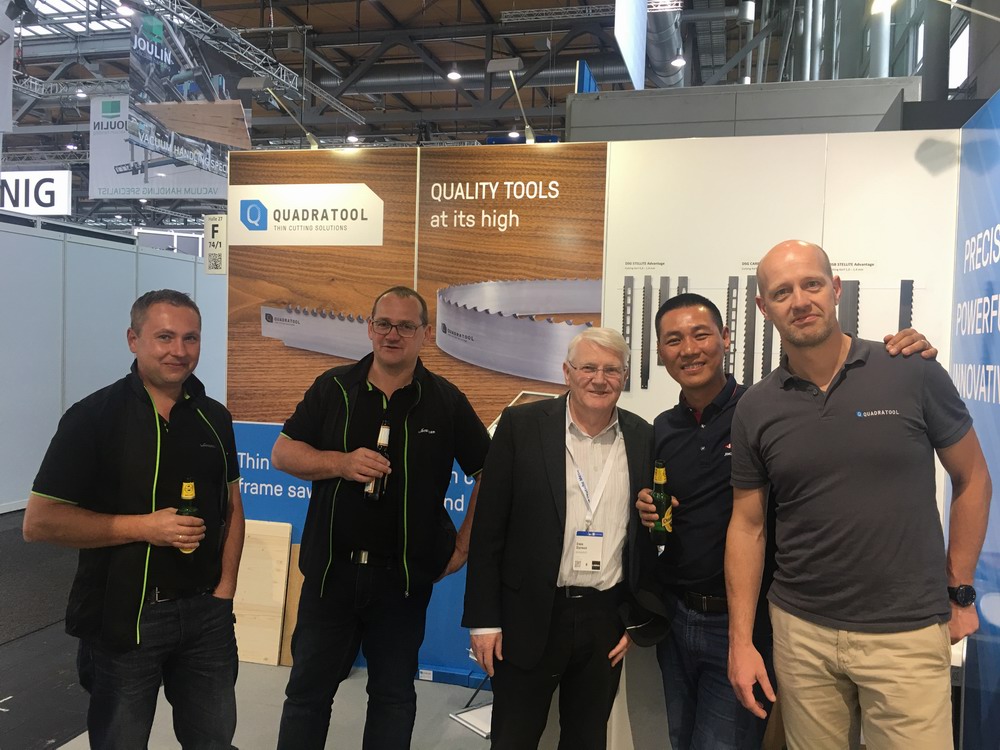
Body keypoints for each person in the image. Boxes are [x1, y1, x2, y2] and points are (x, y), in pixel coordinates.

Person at [635, 292, 937, 750]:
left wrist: (904, 354)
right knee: (680, 738)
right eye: (673, 340)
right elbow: (667, 507)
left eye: (700, 334)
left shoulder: (764, 408)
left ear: (726, 338)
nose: (689, 349)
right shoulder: (662, 428)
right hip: (677, 617)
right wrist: (648, 505)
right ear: (659, 351)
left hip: (746, 620)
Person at [726, 240, 992, 750]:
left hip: (906, 632)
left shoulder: (910, 369)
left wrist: (960, 591)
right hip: (801, 633)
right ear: (763, 307)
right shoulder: (757, 407)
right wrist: (741, 641)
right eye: (781, 292)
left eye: (811, 284)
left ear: (835, 289)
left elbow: (974, 477)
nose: (800, 301)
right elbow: (747, 525)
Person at [22, 289, 245, 750]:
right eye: (164, 337)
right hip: (124, 619)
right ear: (133, 339)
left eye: (190, 338)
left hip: (207, 618)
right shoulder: (93, 418)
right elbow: (40, 522)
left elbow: (233, 507)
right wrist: (144, 527)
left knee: (214, 741)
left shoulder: (215, 418)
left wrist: (224, 592)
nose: (178, 350)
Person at [273, 286, 490, 750]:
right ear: (370, 328)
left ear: (425, 334)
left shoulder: (446, 400)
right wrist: (340, 463)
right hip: (330, 575)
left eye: (406, 326)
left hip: (401, 582)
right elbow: (283, 452)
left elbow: (487, 473)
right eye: (384, 324)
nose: (393, 335)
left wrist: (463, 546)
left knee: (392, 697)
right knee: (307, 695)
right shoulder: (333, 387)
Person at [463, 327, 665, 750]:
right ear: (567, 372)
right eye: (588, 367)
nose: (599, 379)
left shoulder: (643, 436)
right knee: (513, 739)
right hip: (528, 616)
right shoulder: (521, 426)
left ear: (625, 377)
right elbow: (489, 530)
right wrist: (484, 621)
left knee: (587, 740)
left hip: (604, 618)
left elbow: (645, 536)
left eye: (612, 370)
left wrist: (636, 616)